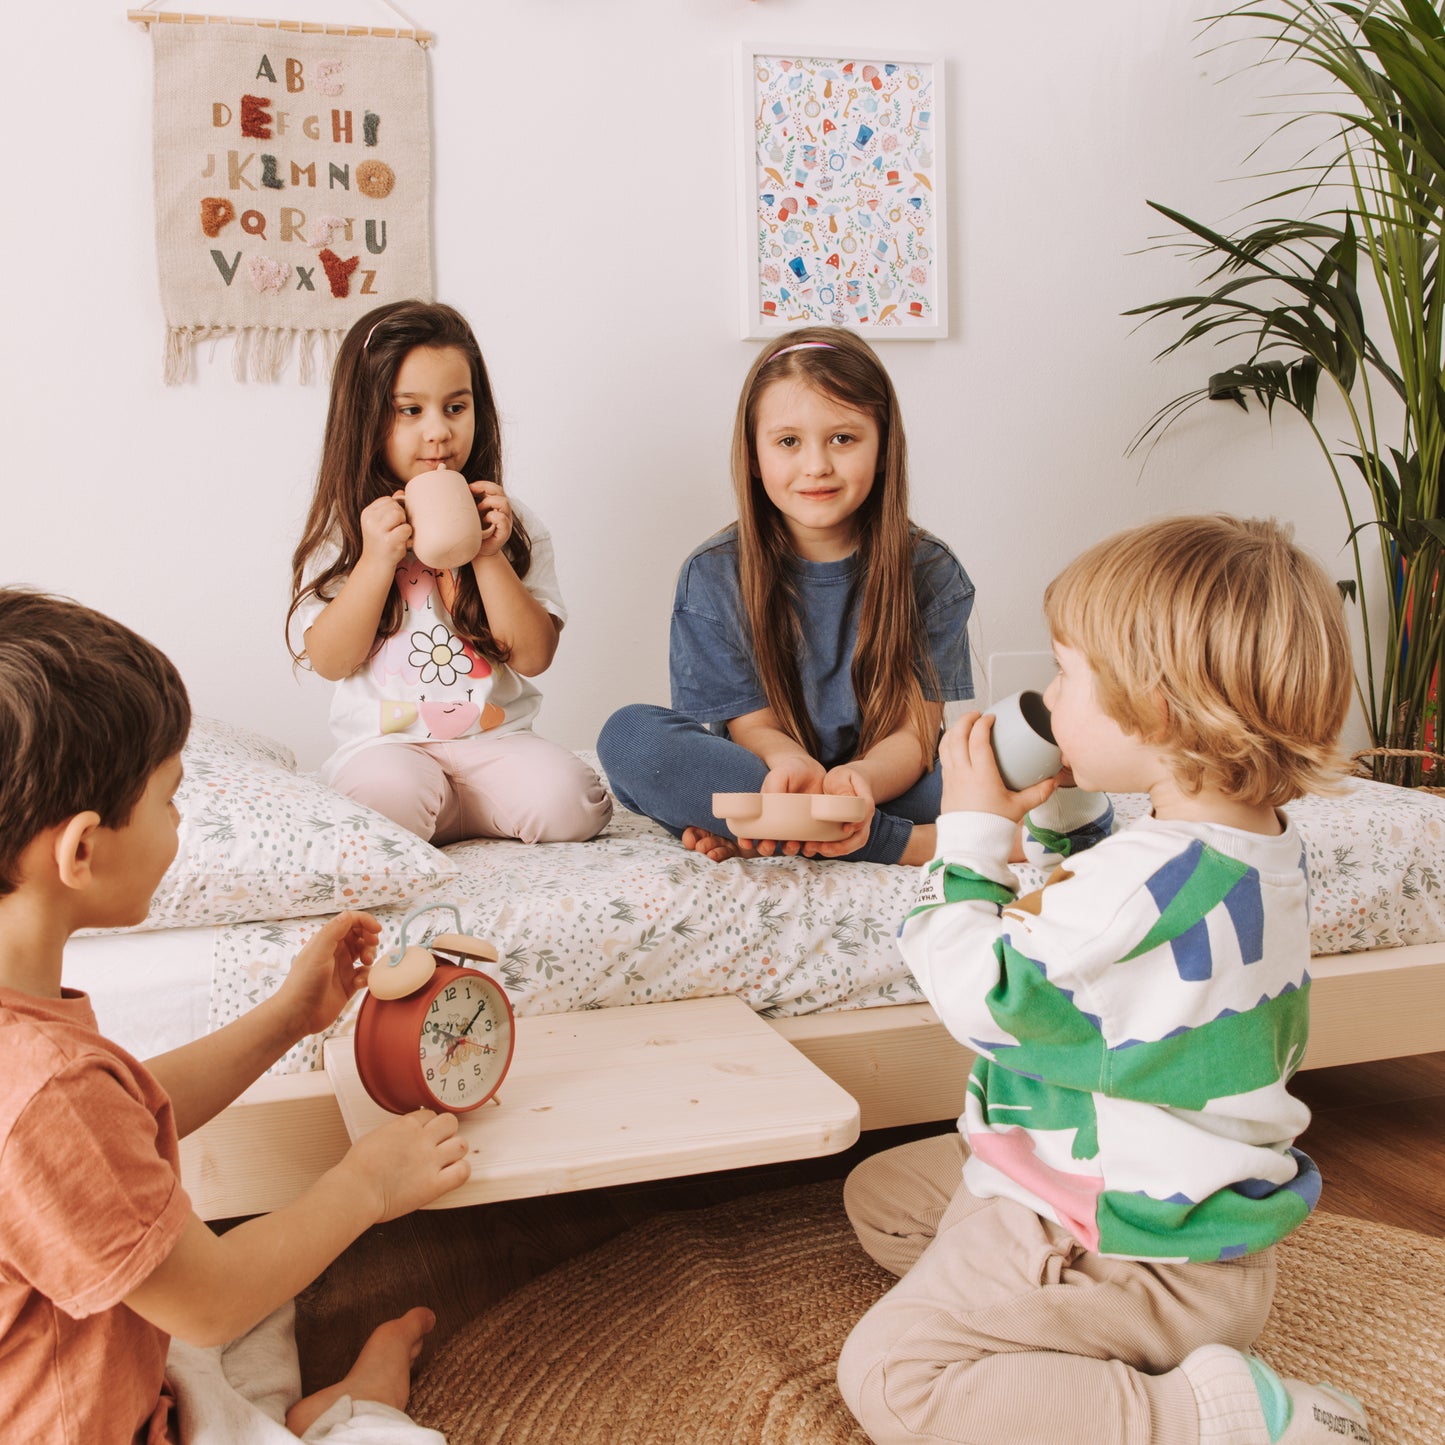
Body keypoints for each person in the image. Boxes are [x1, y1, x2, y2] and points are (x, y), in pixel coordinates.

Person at [836, 515, 1374, 1445]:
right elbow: (1108, 936)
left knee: (889, 1375)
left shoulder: (1144, 885)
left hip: (1126, 1245)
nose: (1046, 701)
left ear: (1154, 708)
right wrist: (1071, 810)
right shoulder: (1239, 850)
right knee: (882, 1197)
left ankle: (1210, 1413)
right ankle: (1055, 1330)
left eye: (1064, 674)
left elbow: (984, 990)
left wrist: (968, 842)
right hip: (1184, 1221)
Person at [0, 587, 472, 1443]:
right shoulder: (47, 1086)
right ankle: (352, 1418)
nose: (182, 820)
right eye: (170, 796)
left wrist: (287, 1017)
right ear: (82, 848)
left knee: (236, 1309)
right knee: (233, 1302)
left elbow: (122, 1116)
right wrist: (367, 1181)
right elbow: (210, 1298)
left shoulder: (34, 1059)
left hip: (64, 1364)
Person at [597, 326, 974, 866]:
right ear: (754, 454)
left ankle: (786, 832)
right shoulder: (713, 574)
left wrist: (857, 781)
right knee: (630, 738)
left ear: (884, 447)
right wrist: (789, 762)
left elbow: (915, 738)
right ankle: (873, 841)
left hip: (888, 784)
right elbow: (752, 727)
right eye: (788, 441)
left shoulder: (931, 571)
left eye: (843, 439)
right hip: (769, 776)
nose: (816, 465)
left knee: (1019, 766)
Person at [287, 300, 610, 847]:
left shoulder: (512, 523)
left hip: (493, 738)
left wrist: (489, 555)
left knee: (573, 804)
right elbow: (330, 660)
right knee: (378, 805)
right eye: (409, 410)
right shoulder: (344, 529)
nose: (438, 432)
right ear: (364, 419)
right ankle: (426, 805)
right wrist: (376, 560)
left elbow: (534, 656)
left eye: (455, 407)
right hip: (386, 746)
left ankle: (464, 808)